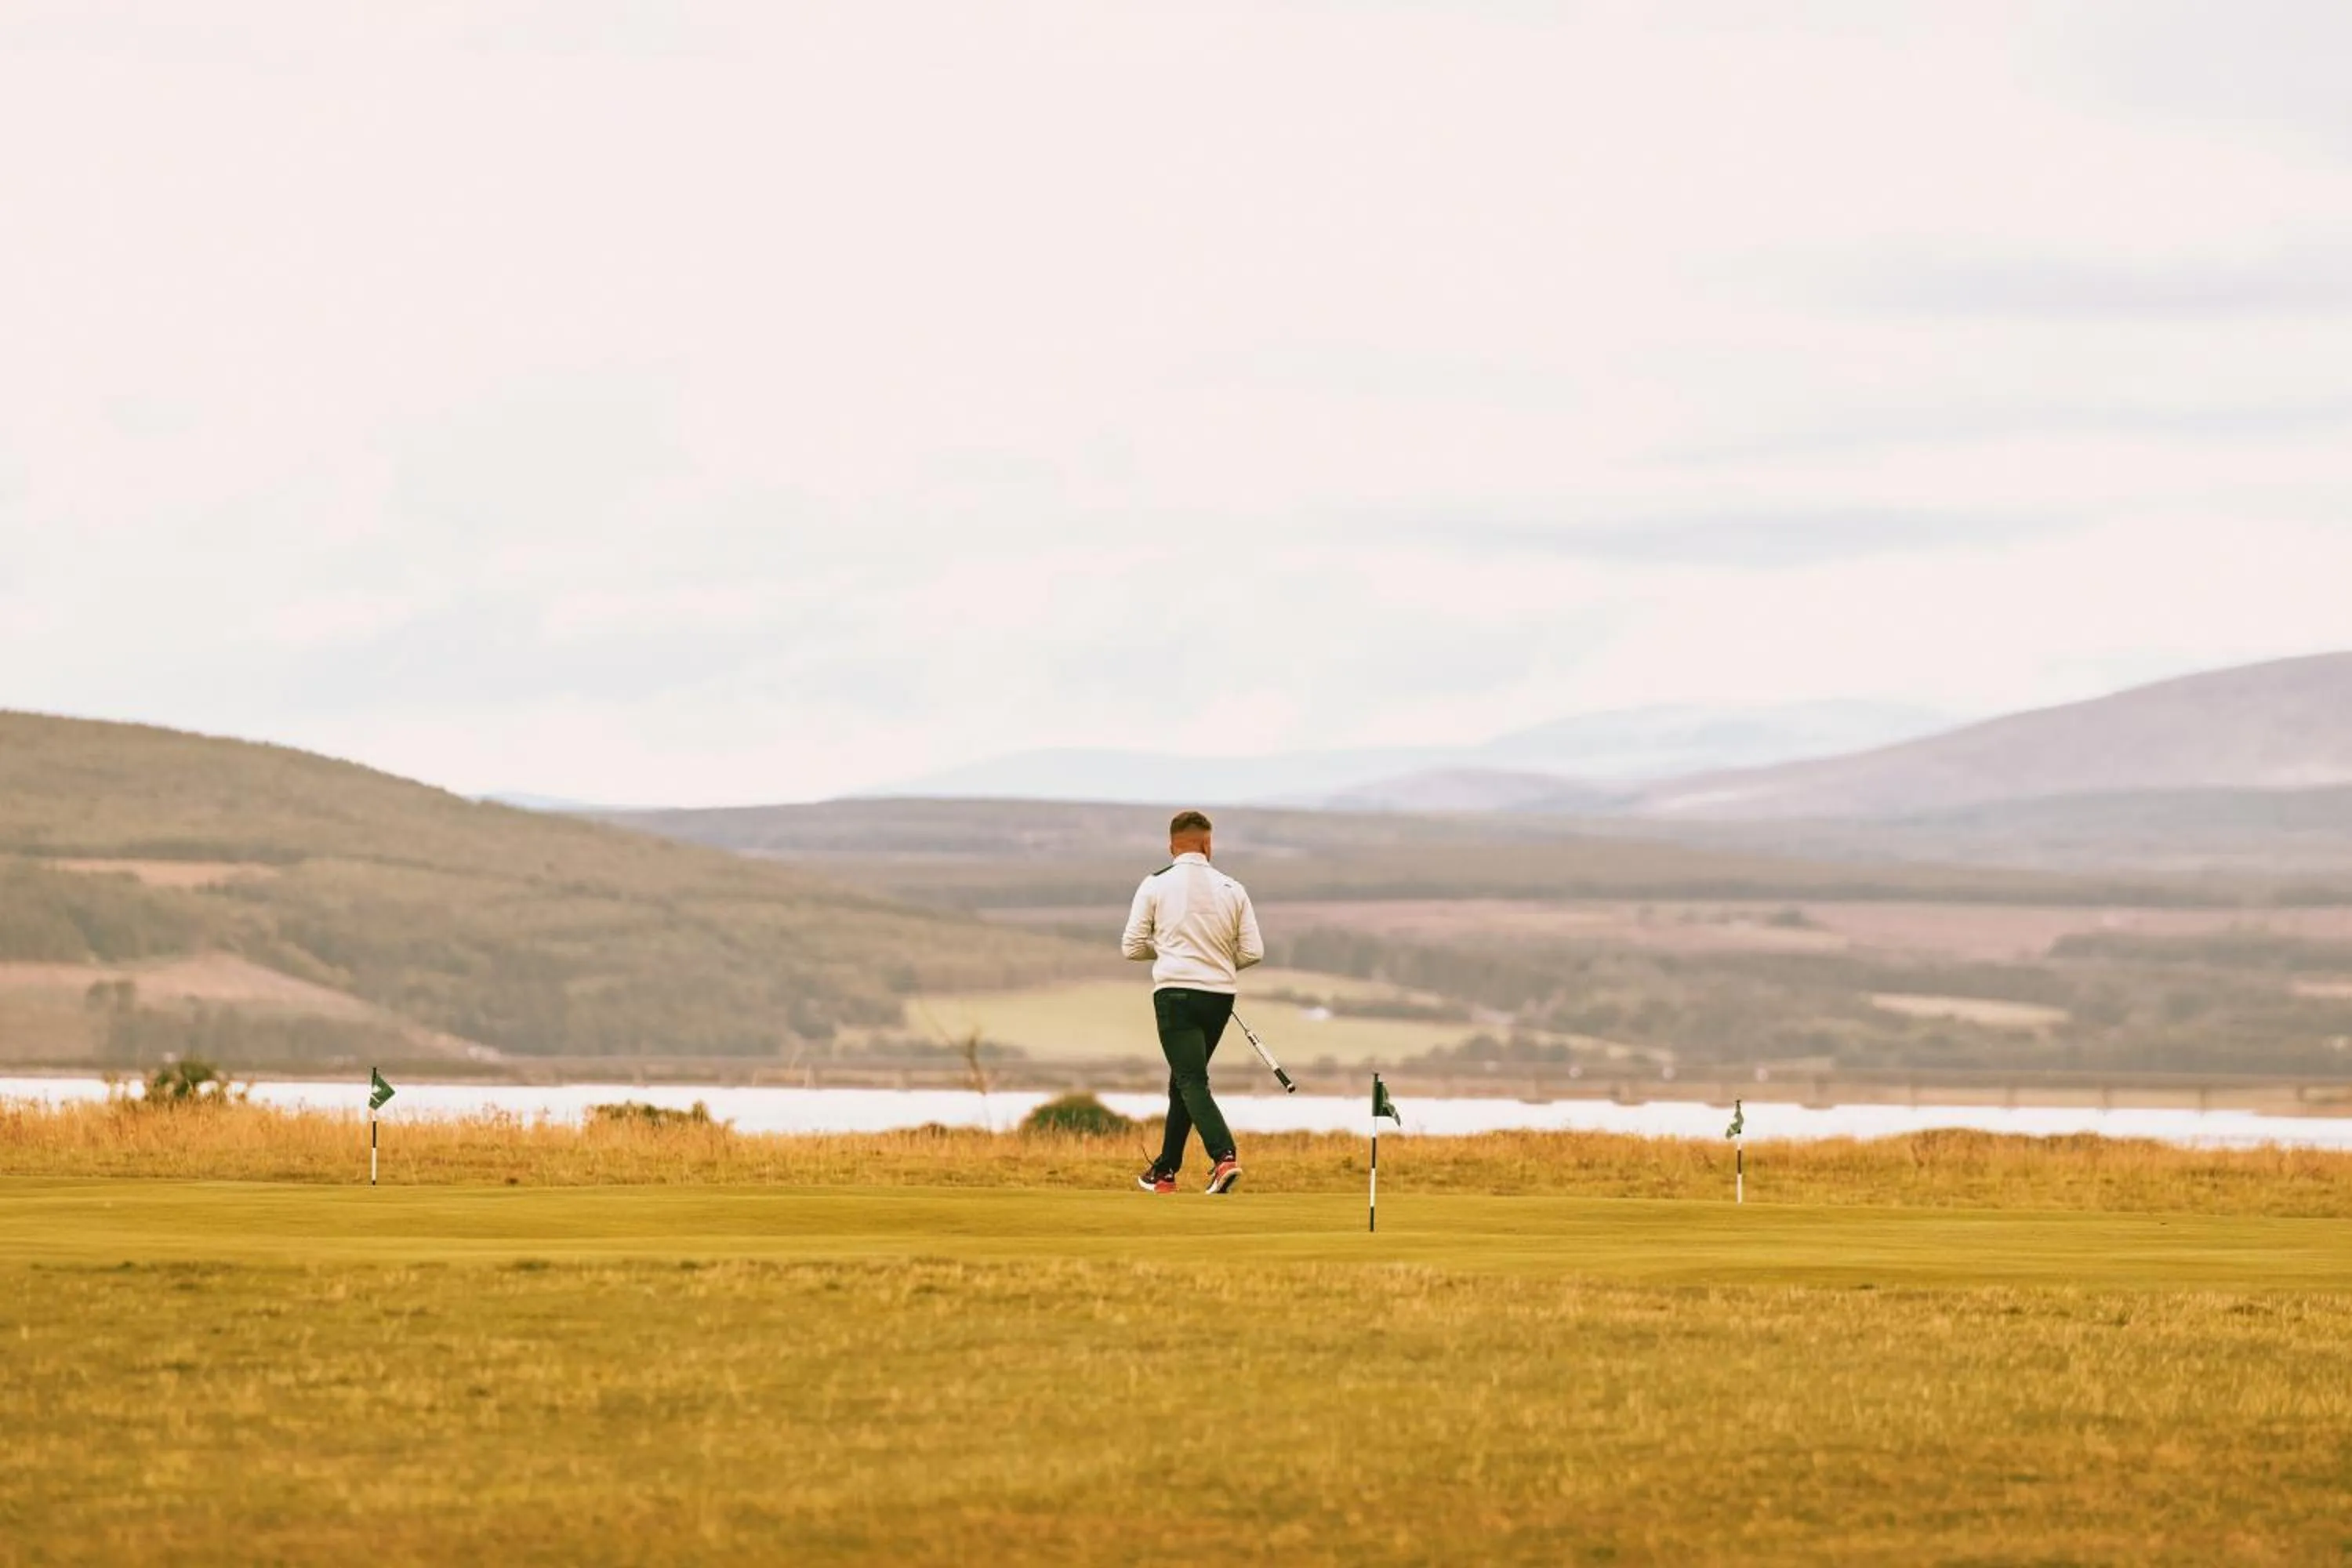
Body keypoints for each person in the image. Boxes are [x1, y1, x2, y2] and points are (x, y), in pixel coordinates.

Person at [1121, 808, 1264, 1194]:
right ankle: (1165, 1171)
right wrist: (1213, 959)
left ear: (1172, 847)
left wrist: (1171, 950)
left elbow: (1131, 947)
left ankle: (1224, 1157)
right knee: (1183, 1081)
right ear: (1207, 844)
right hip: (1219, 996)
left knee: (1190, 1079)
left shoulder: (1154, 884)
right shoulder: (1233, 888)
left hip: (1176, 994)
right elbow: (1253, 951)